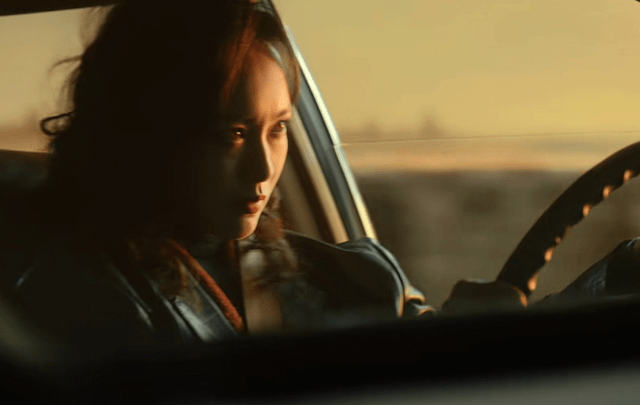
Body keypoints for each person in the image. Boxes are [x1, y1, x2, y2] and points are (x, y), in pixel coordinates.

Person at [2, 0, 432, 351]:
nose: (264, 169)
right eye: (233, 134)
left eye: (278, 128)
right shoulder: (81, 298)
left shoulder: (343, 276)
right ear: (148, 132)